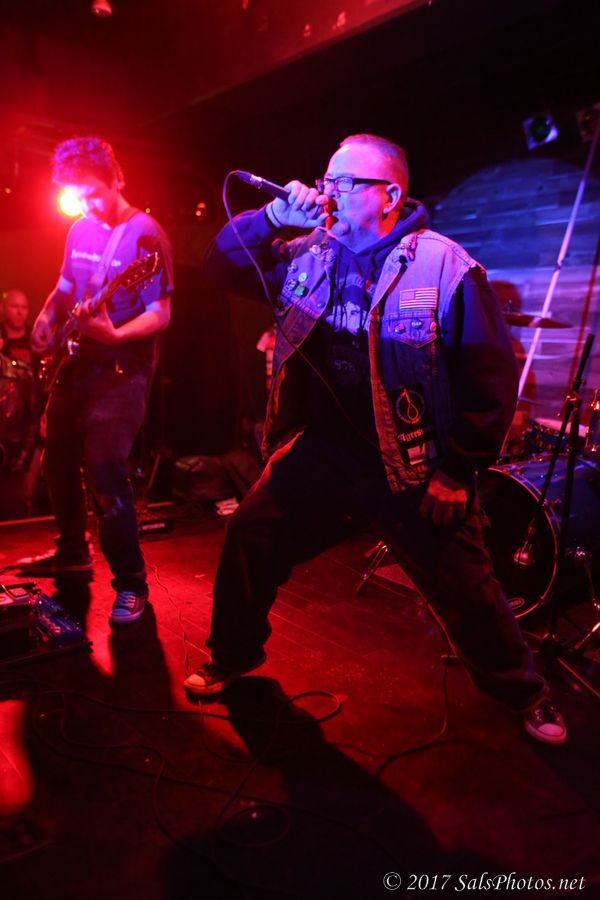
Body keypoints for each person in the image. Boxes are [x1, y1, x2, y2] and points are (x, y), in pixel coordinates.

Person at [183, 134, 565, 746]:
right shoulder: (307, 252)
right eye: (325, 180)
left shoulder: (446, 267)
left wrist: (457, 471)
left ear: (388, 195)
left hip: (413, 464)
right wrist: (273, 216)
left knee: (467, 590)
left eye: (343, 183)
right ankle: (232, 655)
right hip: (325, 451)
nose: (326, 192)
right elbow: (219, 265)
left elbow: (490, 381)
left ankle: (526, 692)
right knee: (252, 535)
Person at [20, 136, 174, 625]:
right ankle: (73, 554)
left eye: (92, 194)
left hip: (122, 371)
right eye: (77, 197)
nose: (86, 205)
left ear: (116, 179)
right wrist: (47, 317)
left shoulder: (145, 236)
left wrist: (115, 334)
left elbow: (160, 314)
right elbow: (64, 288)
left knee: (105, 469)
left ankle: (131, 583)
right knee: (56, 462)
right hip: (76, 365)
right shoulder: (79, 230)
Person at [0, 289, 35, 368]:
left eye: (24, 307)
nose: (20, 312)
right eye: (14, 306)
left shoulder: (35, 340)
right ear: (2, 307)